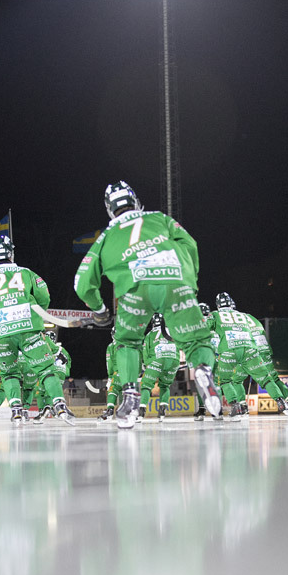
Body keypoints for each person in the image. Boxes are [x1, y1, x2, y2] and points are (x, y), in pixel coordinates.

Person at [74, 180, 221, 428]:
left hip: (135, 289)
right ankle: (204, 369)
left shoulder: (106, 236)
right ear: (135, 201)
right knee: (197, 340)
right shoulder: (159, 218)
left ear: (110, 209)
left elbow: (82, 283)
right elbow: (190, 245)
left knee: (127, 341)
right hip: (174, 282)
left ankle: (131, 396)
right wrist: (188, 282)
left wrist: (99, 310)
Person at [0, 233, 75, 425]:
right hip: (28, 328)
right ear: (12, 253)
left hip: (1, 332)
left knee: (9, 373)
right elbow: (44, 296)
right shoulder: (27, 273)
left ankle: (16, 410)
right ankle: (59, 404)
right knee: (46, 368)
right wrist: (35, 313)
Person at [210, 292, 288, 420]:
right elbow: (257, 331)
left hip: (229, 349)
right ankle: (281, 402)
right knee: (267, 378)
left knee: (225, 380)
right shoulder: (244, 315)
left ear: (218, 305)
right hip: (251, 349)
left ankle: (237, 407)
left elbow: (204, 330)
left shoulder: (214, 315)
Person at [138, 313, 180, 422]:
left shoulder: (150, 335)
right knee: (165, 385)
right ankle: (162, 411)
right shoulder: (173, 332)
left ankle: (141, 410)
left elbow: (145, 352)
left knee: (146, 385)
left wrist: (147, 365)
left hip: (157, 360)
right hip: (174, 361)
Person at [97, 326, 122, 422]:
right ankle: (129, 412)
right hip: (132, 372)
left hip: (119, 372)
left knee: (113, 389)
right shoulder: (129, 344)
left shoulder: (111, 346)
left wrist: (110, 377)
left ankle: (110, 411)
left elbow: (110, 364)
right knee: (127, 391)